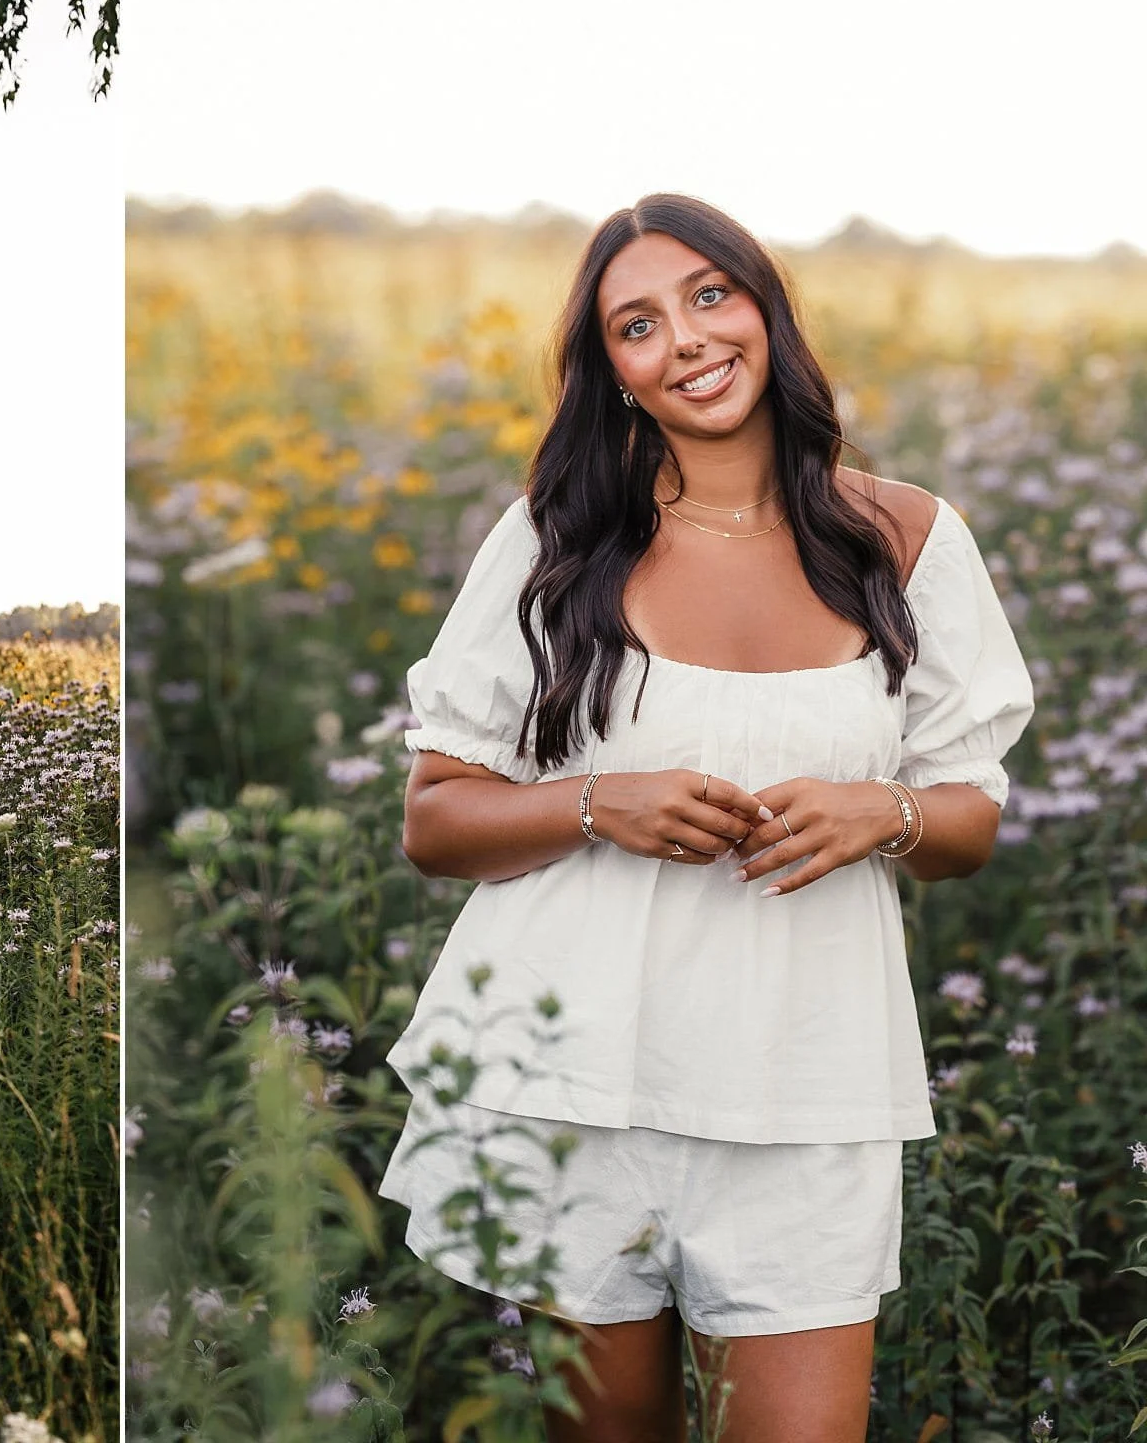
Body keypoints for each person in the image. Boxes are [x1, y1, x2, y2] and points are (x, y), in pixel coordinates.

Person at [377, 194, 1034, 1440]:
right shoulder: (555, 540)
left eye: (708, 296)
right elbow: (435, 817)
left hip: (806, 1089)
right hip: (573, 1084)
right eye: (636, 324)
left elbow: (967, 819)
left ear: (765, 310)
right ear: (612, 373)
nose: (683, 338)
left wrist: (880, 811)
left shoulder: (906, 537)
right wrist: (589, 804)